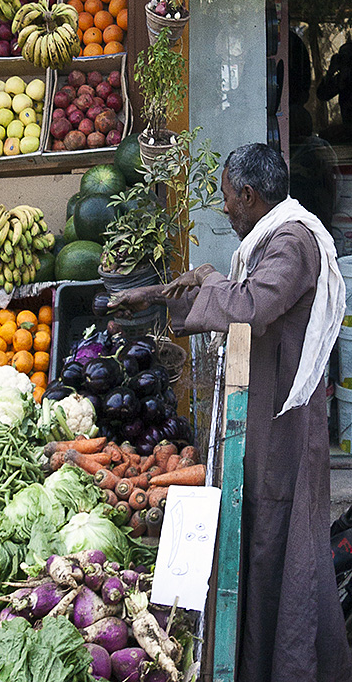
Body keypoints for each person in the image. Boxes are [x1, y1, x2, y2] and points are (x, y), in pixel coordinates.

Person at [108, 143, 352, 682]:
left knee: (280, 537)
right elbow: (230, 292)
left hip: (282, 418)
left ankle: (291, 665)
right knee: (259, 532)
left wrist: (209, 280)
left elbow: (250, 305)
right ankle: (254, 661)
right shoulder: (275, 237)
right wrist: (152, 295)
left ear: (248, 195)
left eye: (226, 200)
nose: (225, 211)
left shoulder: (293, 241)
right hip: (261, 408)